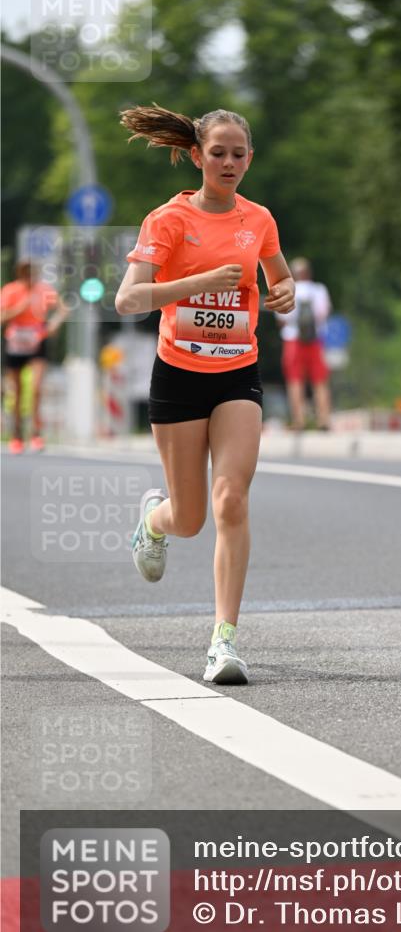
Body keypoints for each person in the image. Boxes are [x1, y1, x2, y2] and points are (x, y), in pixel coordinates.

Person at [116, 103, 295, 685]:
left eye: (238, 153)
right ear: (196, 156)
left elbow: (279, 274)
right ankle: (156, 521)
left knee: (231, 502)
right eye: (217, 152)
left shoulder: (258, 219)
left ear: (249, 159)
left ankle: (224, 641)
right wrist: (197, 284)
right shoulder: (167, 221)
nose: (228, 162)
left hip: (237, 372)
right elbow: (128, 301)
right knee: (190, 518)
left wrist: (283, 292)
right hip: (178, 376)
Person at [1, 259, 70, 453]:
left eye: (32, 273)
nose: (29, 277)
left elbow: (64, 309)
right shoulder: (11, 290)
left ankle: (36, 433)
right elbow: (2, 317)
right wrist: (18, 309)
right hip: (15, 341)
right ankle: (16, 434)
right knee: (17, 390)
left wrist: (54, 324)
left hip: (36, 339)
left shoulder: (43, 290)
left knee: (36, 388)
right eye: (25, 273)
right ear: (20, 274)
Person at [276, 257, 331, 431]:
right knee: (320, 381)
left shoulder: (288, 290)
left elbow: (282, 319)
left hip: (293, 340)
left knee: (295, 381)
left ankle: (299, 420)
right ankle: (323, 419)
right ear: (309, 273)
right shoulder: (319, 290)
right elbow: (324, 313)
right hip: (316, 340)